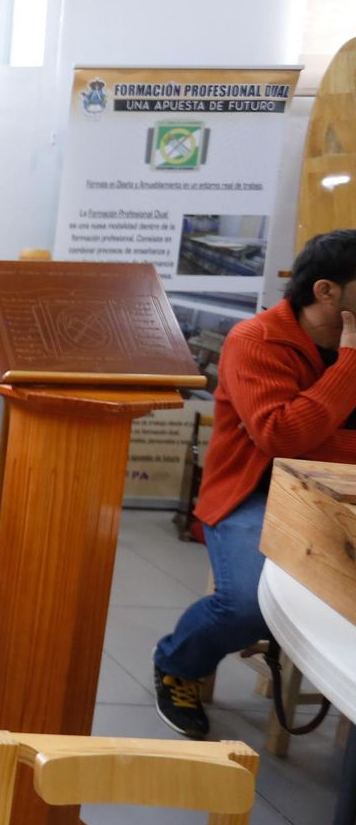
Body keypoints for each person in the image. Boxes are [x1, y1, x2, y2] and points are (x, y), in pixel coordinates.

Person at [152, 230, 356, 738]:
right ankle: (177, 661)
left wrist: (317, 437)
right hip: (254, 493)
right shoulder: (255, 341)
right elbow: (282, 436)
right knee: (247, 602)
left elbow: (304, 436)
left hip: (337, 494)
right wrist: (349, 366)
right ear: (327, 291)